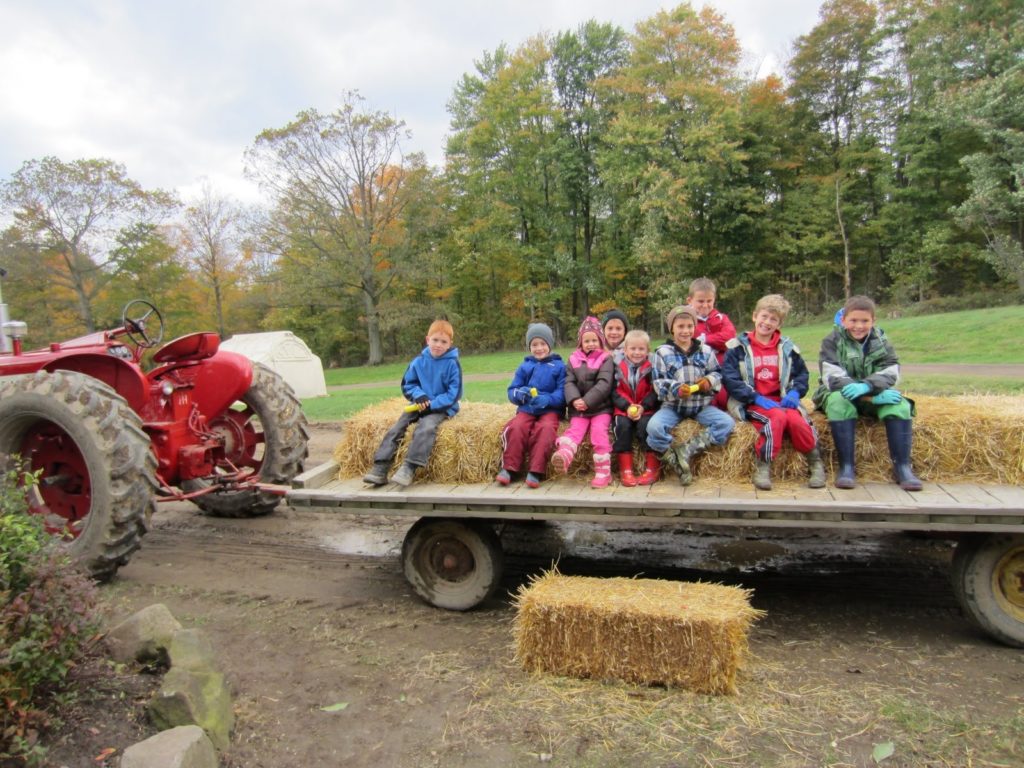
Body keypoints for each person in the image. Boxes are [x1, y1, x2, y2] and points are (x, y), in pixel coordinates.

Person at [812, 295, 922, 491]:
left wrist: (868, 387)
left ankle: (902, 468)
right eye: (853, 320)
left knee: (900, 405)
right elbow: (832, 376)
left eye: (865, 321)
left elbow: (891, 370)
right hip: (840, 393)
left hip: (874, 392)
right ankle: (846, 467)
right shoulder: (832, 341)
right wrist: (868, 395)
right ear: (843, 320)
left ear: (873, 321)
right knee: (839, 404)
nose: (859, 326)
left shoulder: (881, 340)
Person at [722, 294, 826, 490]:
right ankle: (764, 464)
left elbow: (801, 375)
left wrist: (795, 393)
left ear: (779, 323)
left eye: (773, 319)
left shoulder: (787, 349)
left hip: (782, 400)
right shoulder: (737, 348)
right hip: (753, 402)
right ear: (754, 316)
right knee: (776, 418)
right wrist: (754, 397)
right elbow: (730, 379)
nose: (767, 322)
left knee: (797, 420)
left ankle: (815, 462)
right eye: (764, 316)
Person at [362, 319, 462, 487]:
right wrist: (419, 396)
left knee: (426, 427)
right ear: (427, 339)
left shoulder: (452, 364)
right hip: (419, 404)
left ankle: (409, 467)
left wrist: (432, 404)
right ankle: (380, 466)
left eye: (443, 342)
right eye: (435, 340)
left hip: (440, 407)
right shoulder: (418, 362)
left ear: (450, 344)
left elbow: (454, 393)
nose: (438, 344)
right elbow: (408, 384)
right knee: (398, 427)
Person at [646, 305, 734, 485]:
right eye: (680, 327)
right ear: (672, 328)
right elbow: (658, 382)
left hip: (701, 406)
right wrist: (676, 389)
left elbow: (718, 373)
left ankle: (687, 449)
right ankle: (673, 458)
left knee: (727, 423)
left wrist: (708, 381)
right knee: (653, 428)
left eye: (689, 326)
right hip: (673, 406)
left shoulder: (706, 350)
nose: (685, 331)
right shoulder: (662, 352)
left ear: (695, 327)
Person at [497, 323, 566, 489]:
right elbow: (512, 390)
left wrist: (547, 400)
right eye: (534, 345)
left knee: (546, 429)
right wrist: (520, 395)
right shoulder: (525, 366)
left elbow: (562, 393)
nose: (539, 348)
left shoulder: (560, 366)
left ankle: (536, 470)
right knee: (516, 426)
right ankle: (509, 468)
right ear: (529, 347)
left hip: (550, 410)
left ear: (550, 344)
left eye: (543, 344)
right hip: (527, 408)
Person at [552, 316, 615, 488]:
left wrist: (587, 401)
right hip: (579, 408)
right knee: (575, 431)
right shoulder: (573, 359)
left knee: (598, 433)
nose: (591, 343)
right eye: (586, 340)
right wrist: (574, 400)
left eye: (594, 340)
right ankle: (564, 455)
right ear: (580, 342)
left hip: (600, 409)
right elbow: (569, 382)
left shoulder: (606, 359)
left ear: (601, 341)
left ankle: (604, 473)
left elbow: (604, 383)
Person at [611, 329, 660, 486]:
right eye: (633, 349)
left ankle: (652, 468)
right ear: (625, 350)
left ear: (648, 350)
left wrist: (643, 407)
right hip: (624, 408)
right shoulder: (618, 367)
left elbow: (655, 391)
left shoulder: (652, 367)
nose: (637, 352)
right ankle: (626, 470)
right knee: (622, 427)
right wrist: (626, 406)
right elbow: (614, 391)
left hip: (645, 407)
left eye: (641, 349)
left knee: (647, 426)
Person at [688, 277, 736, 409]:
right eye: (700, 301)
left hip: (723, 368)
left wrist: (706, 339)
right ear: (690, 300)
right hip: (699, 370)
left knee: (726, 398)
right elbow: (690, 342)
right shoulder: (686, 320)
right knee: (709, 400)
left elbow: (730, 338)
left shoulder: (720, 317)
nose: (705, 305)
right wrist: (716, 341)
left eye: (709, 301)